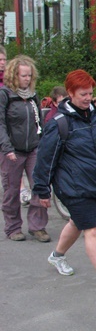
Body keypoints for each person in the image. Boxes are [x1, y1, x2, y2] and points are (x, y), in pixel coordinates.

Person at [32, 70, 96, 297]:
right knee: (93, 228)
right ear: (70, 93)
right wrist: (42, 190)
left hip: (94, 183)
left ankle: (56, 256)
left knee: (78, 222)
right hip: (71, 186)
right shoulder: (59, 123)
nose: (88, 98)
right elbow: (45, 160)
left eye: (90, 93)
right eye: (83, 94)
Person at [0, 55, 49, 242]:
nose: (27, 79)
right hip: (12, 150)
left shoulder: (33, 96)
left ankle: (38, 226)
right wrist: (7, 148)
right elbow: (1, 124)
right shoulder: (5, 95)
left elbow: (40, 123)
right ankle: (13, 227)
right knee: (12, 190)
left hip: (34, 148)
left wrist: (43, 143)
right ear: (14, 76)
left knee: (40, 185)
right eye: (23, 76)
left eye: (29, 75)